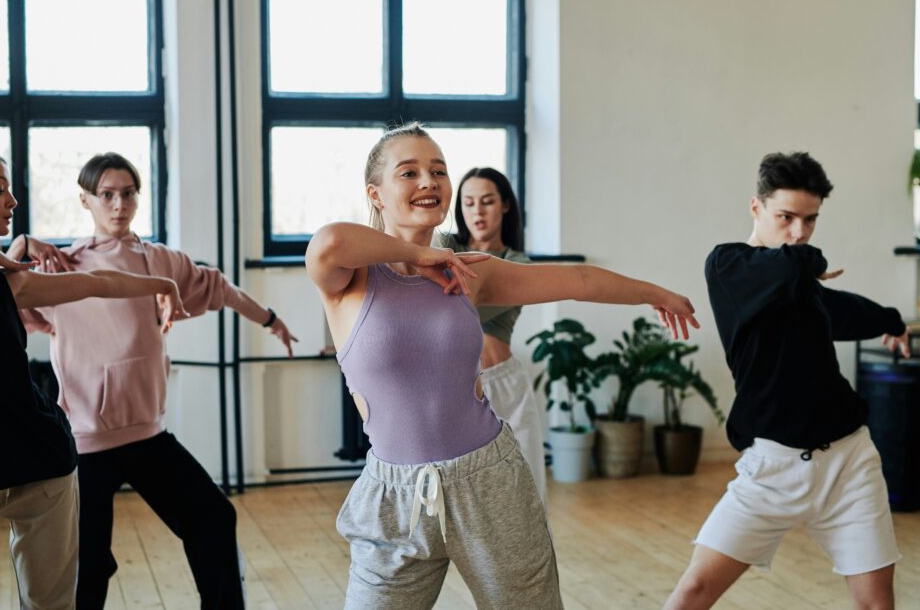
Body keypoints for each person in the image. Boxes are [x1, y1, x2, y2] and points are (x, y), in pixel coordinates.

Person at [306, 122, 699, 609]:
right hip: (393, 498)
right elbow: (328, 241)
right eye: (409, 172)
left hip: (488, 480)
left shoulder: (468, 272)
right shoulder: (349, 279)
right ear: (377, 194)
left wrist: (654, 294)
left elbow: (575, 279)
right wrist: (418, 253)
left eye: (438, 171)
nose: (429, 181)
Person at [0, 147, 187, 610]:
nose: (12, 201)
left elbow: (99, 283)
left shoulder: (5, 284)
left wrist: (164, 285)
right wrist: (3, 256)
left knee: (51, 606)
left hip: (42, 470)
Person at [11, 152, 295, 610]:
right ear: (85, 200)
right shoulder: (61, 267)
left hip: (147, 437)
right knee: (88, 565)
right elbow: (0, 296)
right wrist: (21, 243)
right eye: (106, 194)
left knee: (214, 519)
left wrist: (271, 319)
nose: (119, 204)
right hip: (85, 445)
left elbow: (219, 287)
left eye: (128, 193)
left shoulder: (160, 260)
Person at [664, 152, 906, 610]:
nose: (799, 231)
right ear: (755, 208)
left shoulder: (797, 281)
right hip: (772, 470)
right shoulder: (729, 267)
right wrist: (806, 262)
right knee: (694, 592)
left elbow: (839, 310)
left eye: (810, 220)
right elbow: (800, 263)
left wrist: (890, 320)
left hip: (850, 462)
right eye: (786, 217)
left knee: (877, 604)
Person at [434, 167, 548, 505]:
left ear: (505, 206)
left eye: (487, 202)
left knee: (525, 491)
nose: (477, 212)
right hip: (454, 387)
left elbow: (465, 309)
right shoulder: (444, 246)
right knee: (460, 495)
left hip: (504, 385)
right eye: (468, 203)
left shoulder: (517, 262)